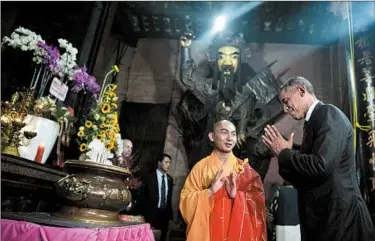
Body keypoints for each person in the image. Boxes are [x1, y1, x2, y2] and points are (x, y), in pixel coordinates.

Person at [262, 76, 375, 241]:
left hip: (341, 219)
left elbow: (321, 165)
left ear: (301, 90)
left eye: (286, 101)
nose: (286, 109)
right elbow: (305, 177)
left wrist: (285, 153)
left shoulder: (328, 114)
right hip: (324, 219)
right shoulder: (313, 122)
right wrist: (283, 155)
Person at [180, 120, 267, 241]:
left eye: (233, 134)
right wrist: (210, 191)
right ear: (211, 137)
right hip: (208, 232)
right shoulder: (200, 167)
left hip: (235, 231)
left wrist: (236, 196)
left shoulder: (244, 169)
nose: (229, 138)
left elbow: (257, 203)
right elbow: (186, 201)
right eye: (224, 132)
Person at [140, 154, 173, 241]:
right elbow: (142, 197)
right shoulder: (149, 177)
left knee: (162, 238)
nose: (168, 165)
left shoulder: (170, 179)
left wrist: (170, 216)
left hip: (164, 215)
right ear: (159, 163)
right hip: (151, 214)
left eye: (170, 163)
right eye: (166, 162)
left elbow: (169, 198)